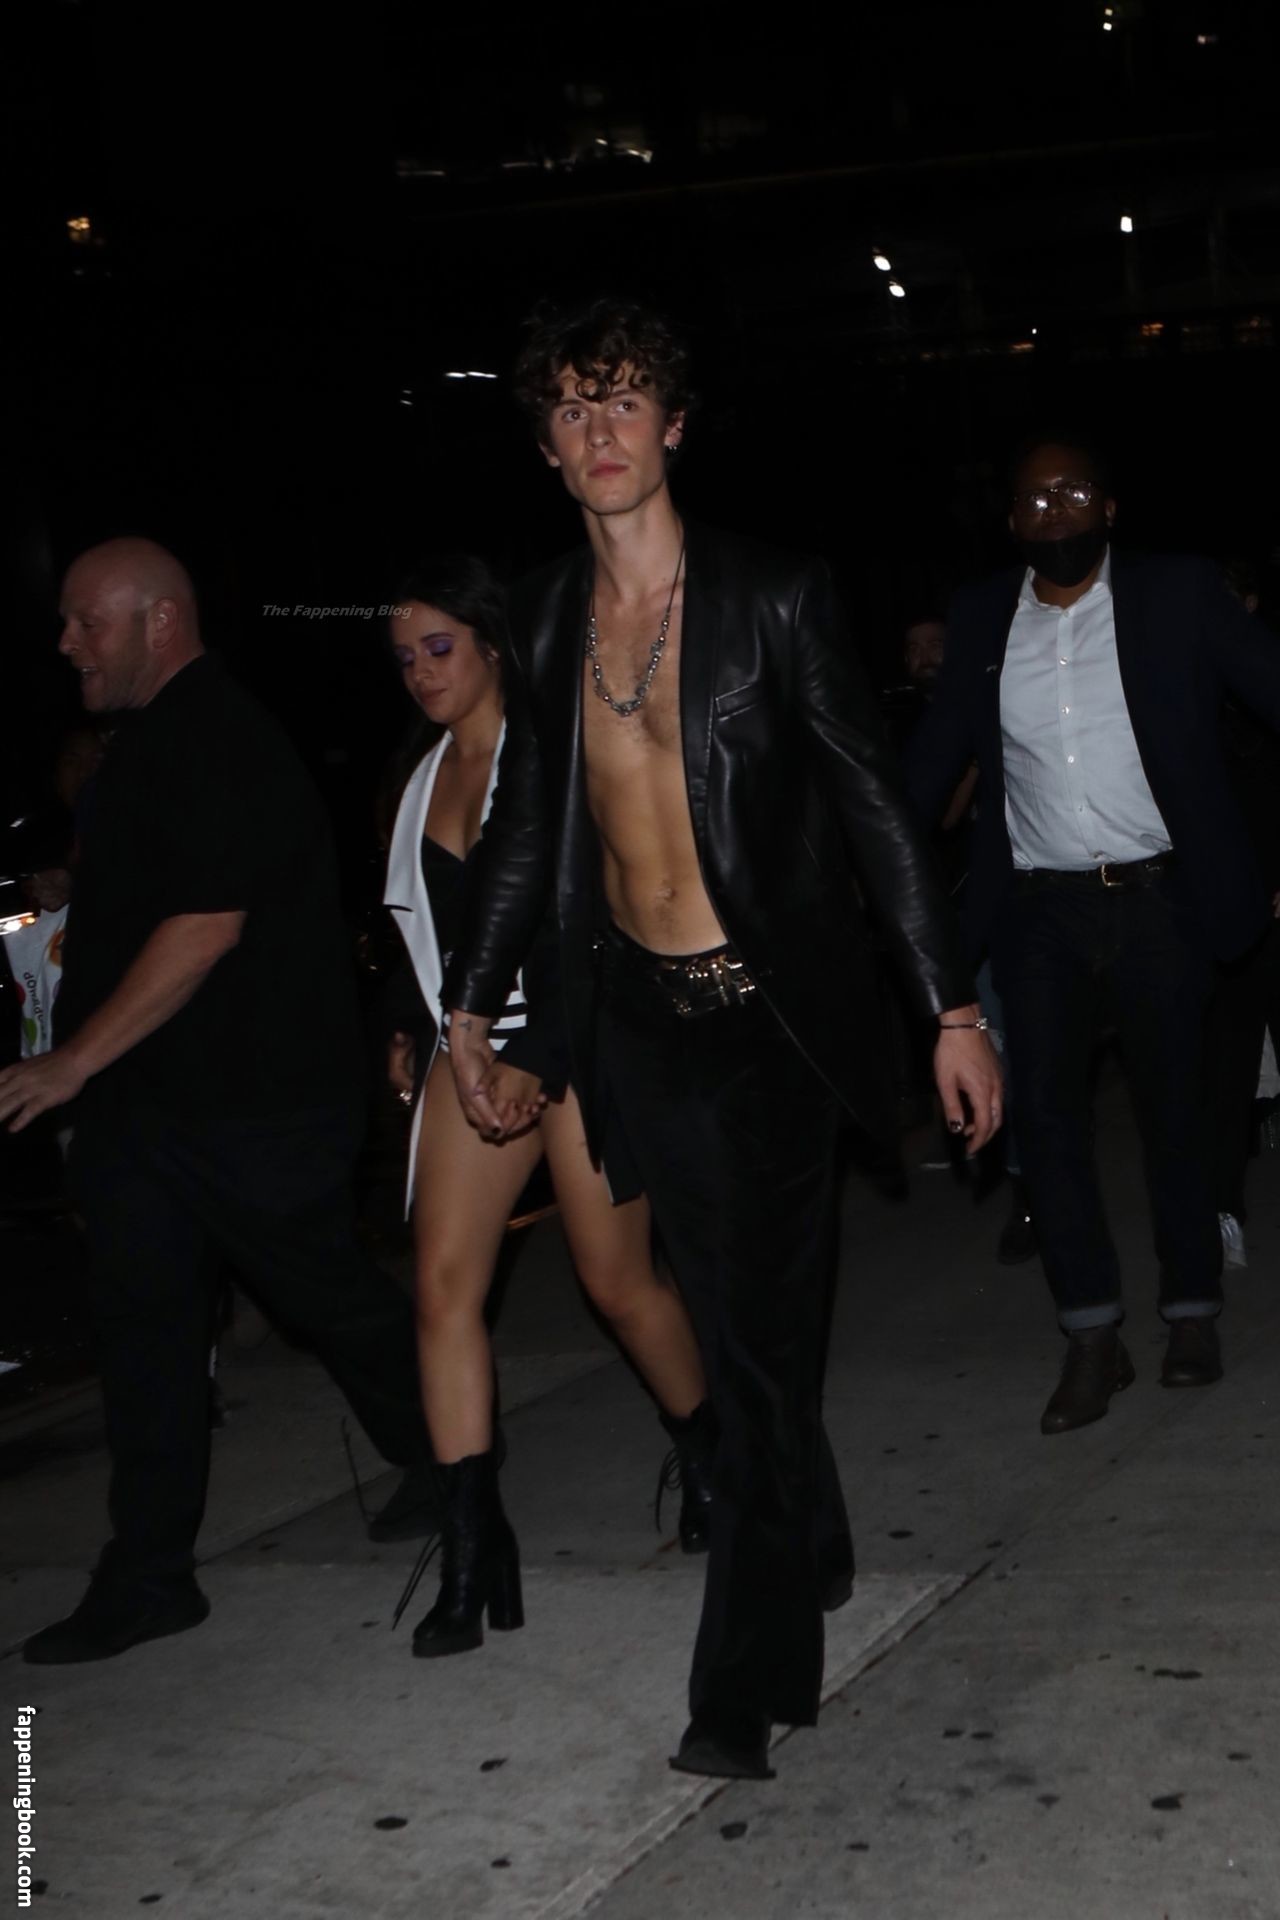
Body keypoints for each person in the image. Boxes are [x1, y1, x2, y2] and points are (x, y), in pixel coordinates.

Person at [441, 297, 1000, 1781]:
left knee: (754, 1352)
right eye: (570, 409)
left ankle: (742, 1685)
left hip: (771, 1026)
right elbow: (525, 830)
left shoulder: (774, 597)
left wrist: (950, 1010)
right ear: (546, 446)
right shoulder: (543, 617)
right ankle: (813, 1531)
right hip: (639, 1027)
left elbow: (877, 811)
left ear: (673, 425)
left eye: (623, 400)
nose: (598, 430)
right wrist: (469, 1005)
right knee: (746, 1335)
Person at [0, 537, 435, 1664]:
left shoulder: (219, 734)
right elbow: (159, 894)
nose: (65, 642)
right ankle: (149, 1576)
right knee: (144, 1335)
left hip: (251, 1104)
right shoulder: (147, 746)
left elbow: (206, 925)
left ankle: (449, 1454)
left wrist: (72, 1062)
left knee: (327, 1297)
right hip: (152, 1108)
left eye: (85, 621)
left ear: (159, 620)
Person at [906, 437, 1280, 1435]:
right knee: (1046, 1122)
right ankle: (1090, 1335)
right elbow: (935, 759)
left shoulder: (1176, 593)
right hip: (1037, 908)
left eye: (1072, 491)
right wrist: (867, 860)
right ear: (1011, 521)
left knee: (1173, 1112)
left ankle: (1190, 1310)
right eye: (1033, 499)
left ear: (1109, 508)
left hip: (1159, 897)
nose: (1054, 510)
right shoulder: (984, 614)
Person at [379, 555, 712, 1656]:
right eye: (403, 657)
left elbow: (602, 917)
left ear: (490, 644)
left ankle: (713, 1456)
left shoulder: (556, 752)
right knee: (440, 1290)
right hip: (469, 1049)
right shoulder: (420, 779)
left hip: (576, 1036)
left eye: (438, 647)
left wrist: (538, 1052)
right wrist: (406, 1026)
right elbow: (418, 924)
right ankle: (474, 1550)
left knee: (616, 1283)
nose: (421, 672)